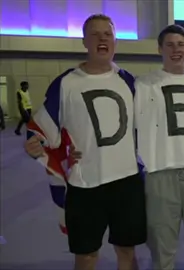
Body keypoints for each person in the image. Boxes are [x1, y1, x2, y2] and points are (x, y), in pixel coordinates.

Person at [23, 14, 146, 270]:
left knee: (127, 250)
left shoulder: (130, 82)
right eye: (95, 34)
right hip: (84, 184)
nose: (102, 38)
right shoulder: (66, 83)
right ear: (84, 42)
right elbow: (43, 129)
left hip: (127, 181)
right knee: (86, 255)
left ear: (115, 42)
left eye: (108, 34)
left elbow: (149, 128)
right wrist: (35, 144)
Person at [134, 25, 184, 270]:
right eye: (169, 44)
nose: (176, 49)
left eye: (181, 44)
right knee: (161, 247)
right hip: (160, 172)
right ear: (159, 49)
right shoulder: (143, 85)